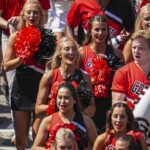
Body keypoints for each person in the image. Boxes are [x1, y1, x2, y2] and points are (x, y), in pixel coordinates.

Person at [3, 1, 56, 149]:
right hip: (21, 91)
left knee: (38, 139)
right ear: (23, 15)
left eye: (35, 13)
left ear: (41, 16)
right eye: (29, 12)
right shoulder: (15, 36)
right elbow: (6, 66)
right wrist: (22, 57)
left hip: (41, 92)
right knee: (21, 140)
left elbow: (53, 65)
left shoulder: (48, 37)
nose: (32, 15)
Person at [33, 36, 95, 134]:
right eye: (67, 49)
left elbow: (92, 108)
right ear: (59, 54)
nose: (71, 52)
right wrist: (58, 106)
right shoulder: (49, 76)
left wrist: (75, 114)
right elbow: (38, 109)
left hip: (76, 125)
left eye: (74, 49)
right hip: (53, 124)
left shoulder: (84, 77)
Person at [79, 14, 124, 133]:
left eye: (104, 29)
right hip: (89, 105)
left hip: (109, 106)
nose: (100, 33)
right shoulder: (81, 53)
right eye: (97, 29)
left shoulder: (117, 54)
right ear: (89, 31)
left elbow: (122, 83)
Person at [111, 30, 150, 148]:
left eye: (141, 48)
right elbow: (116, 106)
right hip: (132, 133)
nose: (136, 51)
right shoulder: (123, 73)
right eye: (134, 48)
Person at [32, 82, 97, 150]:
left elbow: (97, 146)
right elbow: (35, 147)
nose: (62, 101)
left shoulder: (86, 120)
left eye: (66, 98)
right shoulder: (48, 121)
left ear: (74, 100)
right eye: (60, 97)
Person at [65, 0, 135, 48]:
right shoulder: (81, 2)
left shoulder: (124, 4)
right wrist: (75, 46)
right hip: (85, 56)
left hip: (113, 57)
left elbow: (131, 28)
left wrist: (127, 35)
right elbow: (69, 26)